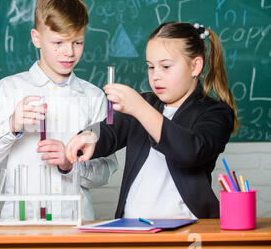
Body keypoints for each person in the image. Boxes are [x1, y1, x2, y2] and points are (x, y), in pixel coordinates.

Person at [0, 0, 118, 221]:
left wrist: (71, 165)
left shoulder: (94, 97)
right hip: (19, 226)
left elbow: (107, 170)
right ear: (36, 38)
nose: (69, 52)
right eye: (58, 42)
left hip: (76, 225)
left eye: (77, 42)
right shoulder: (9, 89)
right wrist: (12, 125)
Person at [66, 22, 239, 219]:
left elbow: (191, 151)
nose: (155, 76)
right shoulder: (146, 103)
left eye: (166, 66)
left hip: (189, 229)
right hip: (133, 228)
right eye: (150, 67)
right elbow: (110, 131)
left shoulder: (216, 112)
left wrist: (139, 108)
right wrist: (89, 136)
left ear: (195, 66)